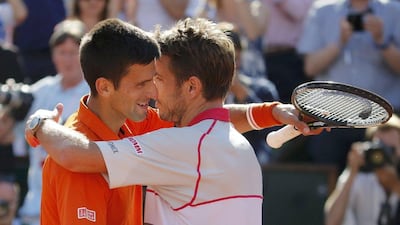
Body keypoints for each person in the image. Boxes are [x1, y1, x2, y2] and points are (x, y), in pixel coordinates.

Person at [25, 18, 320, 225]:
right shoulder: (230, 145)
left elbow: (74, 154)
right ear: (105, 86)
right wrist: (272, 112)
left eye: (158, 80)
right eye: (144, 82)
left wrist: (39, 124)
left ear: (191, 88)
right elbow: (211, 119)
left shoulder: (177, 144)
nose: (153, 92)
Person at [296, 0, 400, 173]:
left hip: (383, 121)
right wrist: (339, 42)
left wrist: (382, 41)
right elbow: (310, 67)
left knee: (383, 182)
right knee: (328, 179)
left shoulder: (394, 11)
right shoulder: (322, 11)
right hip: (331, 119)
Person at [18, 19, 89, 225]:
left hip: (75, 199)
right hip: (35, 203)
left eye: (74, 52)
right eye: (62, 52)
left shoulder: (95, 95)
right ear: (53, 55)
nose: (68, 59)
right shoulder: (40, 91)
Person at [324, 114, 400, 225]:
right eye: (380, 148)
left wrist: (394, 185)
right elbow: (332, 222)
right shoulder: (359, 176)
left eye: (391, 149)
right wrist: (352, 171)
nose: (384, 156)